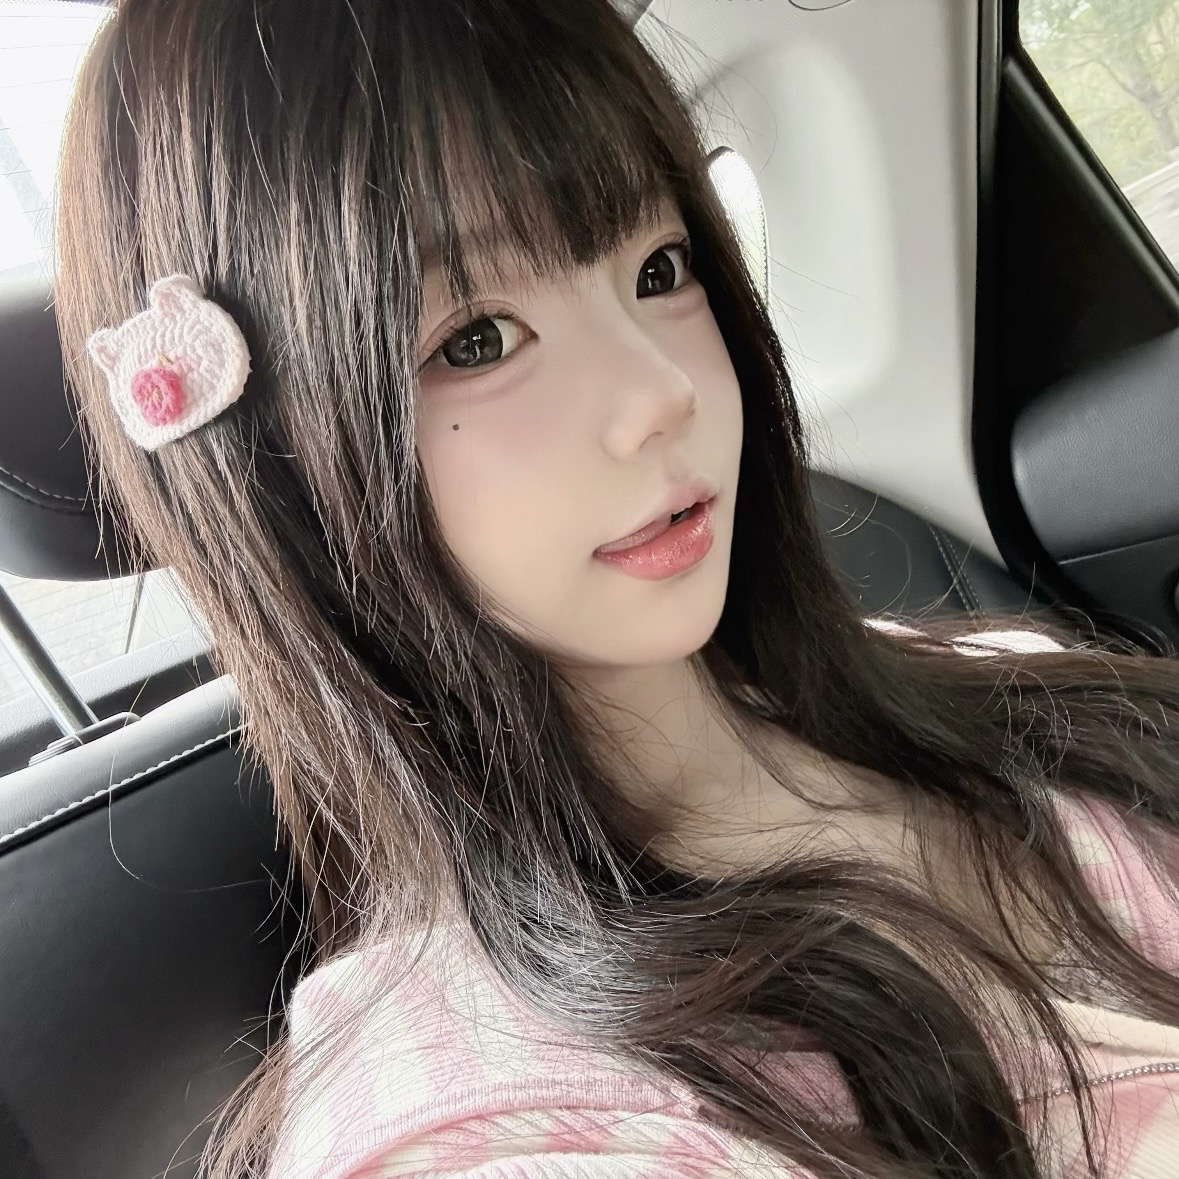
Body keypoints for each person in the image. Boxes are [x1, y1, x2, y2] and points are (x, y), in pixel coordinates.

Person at [51, 0, 1179, 1176]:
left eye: (658, 267)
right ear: (278, 474)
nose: (660, 392)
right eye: (478, 339)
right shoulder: (488, 1117)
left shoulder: (997, 676)